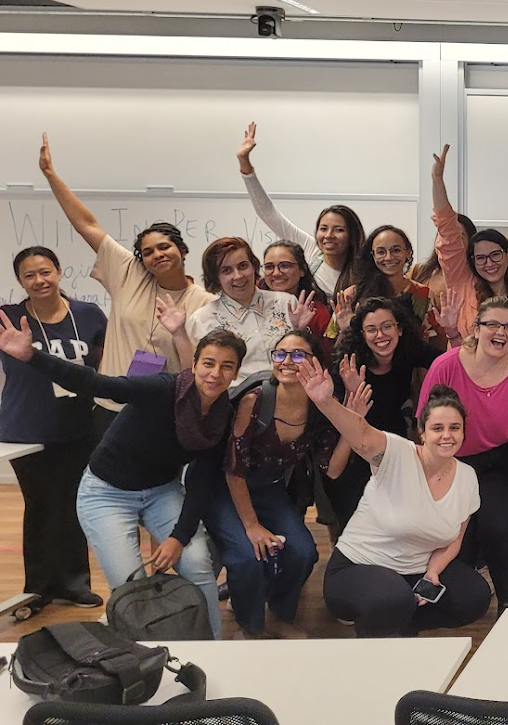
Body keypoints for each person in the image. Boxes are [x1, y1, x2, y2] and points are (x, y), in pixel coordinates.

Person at [0, 310, 244, 638]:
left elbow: (201, 481)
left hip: (161, 490)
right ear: (195, 364)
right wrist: (32, 356)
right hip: (106, 493)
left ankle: (211, 648)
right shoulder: (163, 389)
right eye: (209, 363)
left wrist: (177, 537)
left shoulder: (222, 414)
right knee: (133, 587)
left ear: (236, 373)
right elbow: (95, 383)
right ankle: (146, 656)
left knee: (197, 562)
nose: (215, 373)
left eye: (227, 366)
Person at [313, 368, 508, 637]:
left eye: (455, 428)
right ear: (422, 432)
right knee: (393, 598)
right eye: (437, 428)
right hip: (357, 567)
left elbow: (454, 539)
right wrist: (326, 401)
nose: (447, 436)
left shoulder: (467, 477)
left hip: (413, 574)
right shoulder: (396, 453)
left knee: (473, 596)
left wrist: (432, 574)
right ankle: (380, 629)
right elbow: (360, 434)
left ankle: (398, 627)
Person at [38, 133, 213, 429]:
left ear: (182, 250)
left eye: (164, 247)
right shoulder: (129, 274)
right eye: (147, 252)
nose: (157, 255)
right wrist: (50, 175)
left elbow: (199, 365)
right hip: (111, 405)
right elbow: (86, 225)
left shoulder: (205, 302)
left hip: (163, 409)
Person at [207, 330, 351, 637]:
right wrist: (252, 526)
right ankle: (250, 626)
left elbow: (332, 470)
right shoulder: (254, 400)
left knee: (303, 552)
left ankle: (279, 615)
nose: (287, 361)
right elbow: (234, 470)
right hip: (228, 489)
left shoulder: (319, 408)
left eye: (298, 354)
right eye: (280, 353)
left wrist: (353, 420)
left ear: (316, 364)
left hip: (270, 489)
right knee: (247, 556)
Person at [418, 295, 508, 612]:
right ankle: (458, 601)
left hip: (501, 459)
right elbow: (426, 427)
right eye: (492, 323)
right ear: (476, 328)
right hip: (453, 461)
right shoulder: (446, 366)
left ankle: (507, 601)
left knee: (498, 527)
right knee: (456, 538)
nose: (501, 332)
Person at [0, 247, 108, 608]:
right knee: (41, 504)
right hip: (26, 429)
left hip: (79, 426)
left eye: (45, 272)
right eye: (29, 275)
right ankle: (39, 587)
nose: (39, 281)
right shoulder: (8, 318)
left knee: (73, 503)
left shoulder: (88, 315)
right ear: (20, 281)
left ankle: (75, 583)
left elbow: (104, 366)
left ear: (59, 272)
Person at [329, 297, 447, 525]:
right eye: (371, 330)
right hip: (353, 443)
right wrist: (350, 394)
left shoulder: (409, 350)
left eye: (387, 327)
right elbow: (334, 414)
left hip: (393, 441)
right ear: (362, 335)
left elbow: (447, 362)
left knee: (398, 517)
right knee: (356, 517)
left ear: (399, 329)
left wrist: (452, 334)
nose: (381, 336)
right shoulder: (349, 363)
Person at [428, 145, 508, 351]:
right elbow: (447, 228)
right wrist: (437, 179)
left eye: (495, 255)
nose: (489, 263)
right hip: (465, 377)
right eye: (480, 258)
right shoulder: (462, 283)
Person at [237, 121, 364, 295]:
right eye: (323, 229)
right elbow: (267, 213)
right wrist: (245, 164)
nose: (328, 236)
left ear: (351, 235)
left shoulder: (363, 271)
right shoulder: (310, 249)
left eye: (339, 229)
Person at [186, 237, 308, 382]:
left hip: (290, 391)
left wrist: (302, 330)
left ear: (254, 267)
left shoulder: (285, 302)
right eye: (226, 270)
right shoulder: (201, 320)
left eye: (243, 266)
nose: (238, 276)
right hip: (236, 398)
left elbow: (304, 355)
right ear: (216, 277)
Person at [339, 225, 440, 346]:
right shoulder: (351, 295)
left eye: (396, 250)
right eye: (381, 252)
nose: (388, 257)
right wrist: (347, 330)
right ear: (373, 255)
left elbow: (431, 342)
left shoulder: (422, 294)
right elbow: (331, 347)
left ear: (408, 252)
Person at [259, 240, 333, 355]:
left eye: (284, 266)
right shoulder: (253, 302)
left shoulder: (316, 312)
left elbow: (327, 357)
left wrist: (300, 331)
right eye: (269, 267)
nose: (276, 273)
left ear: (301, 270)